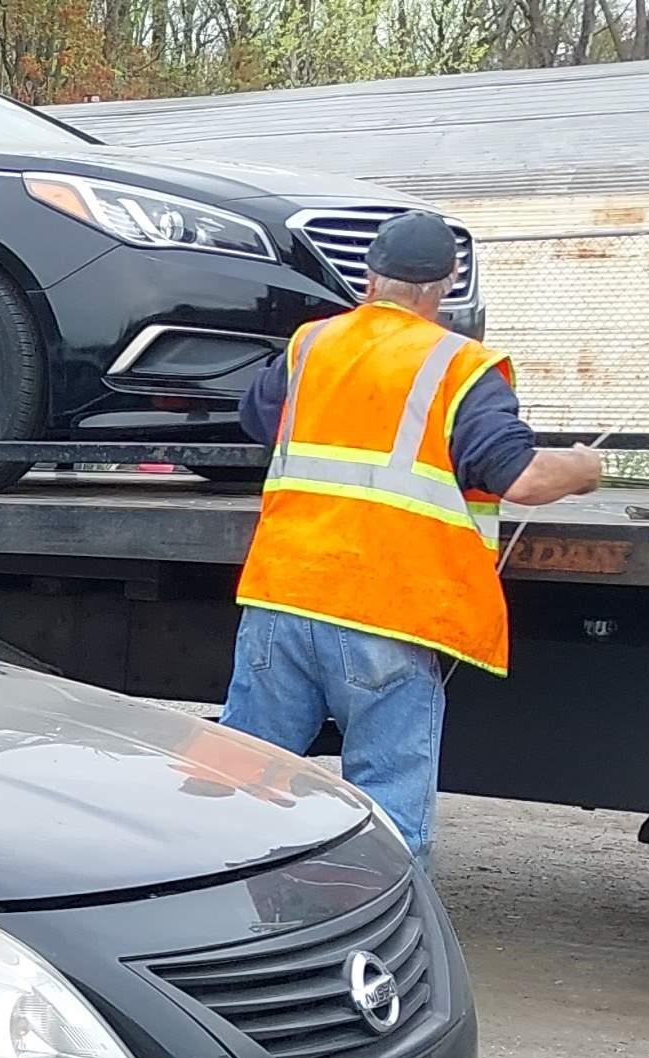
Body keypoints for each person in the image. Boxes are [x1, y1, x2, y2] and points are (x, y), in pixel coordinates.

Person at [222, 210, 603, 861]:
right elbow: (526, 480)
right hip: (388, 612)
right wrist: (585, 466)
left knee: (245, 788)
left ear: (370, 277)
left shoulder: (312, 345)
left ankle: (219, 928)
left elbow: (256, 419)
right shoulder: (459, 366)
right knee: (389, 818)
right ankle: (377, 950)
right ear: (447, 284)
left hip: (282, 599)